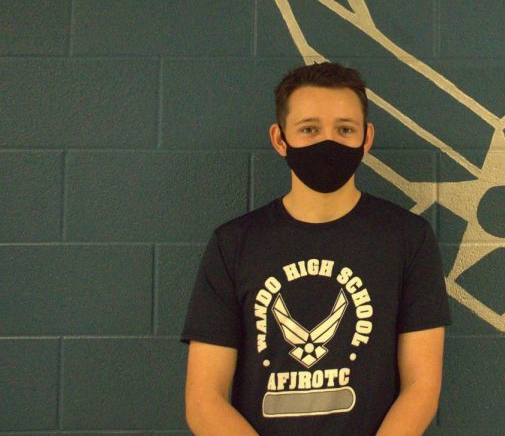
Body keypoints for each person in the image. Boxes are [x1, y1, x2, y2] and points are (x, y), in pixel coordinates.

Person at [181, 62, 451, 435]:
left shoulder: (408, 238)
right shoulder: (234, 244)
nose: (329, 142)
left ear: (366, 138)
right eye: (309, 129)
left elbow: (421, 388)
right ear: (280, 139)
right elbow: (203, 400)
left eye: (345, 129)